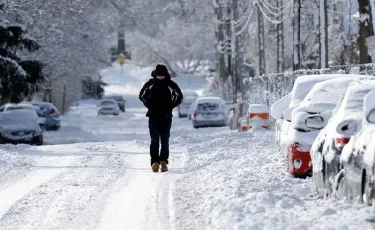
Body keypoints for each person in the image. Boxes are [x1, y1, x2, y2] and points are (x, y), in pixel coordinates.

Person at [139, 64, 183, 172]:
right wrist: (149, 105)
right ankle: (154, 162)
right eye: (158, 76)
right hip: (153, 117)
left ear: (166, 75)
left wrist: (171, 106)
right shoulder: (150, 84)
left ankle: (163, 161)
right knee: (154, 140)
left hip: (166, 117)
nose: (160, 77)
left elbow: (179, 96)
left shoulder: (170, 84)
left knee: (165, 140)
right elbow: (141, 95)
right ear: (155, 75)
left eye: (162, 76)